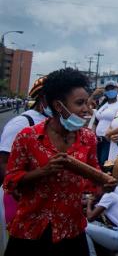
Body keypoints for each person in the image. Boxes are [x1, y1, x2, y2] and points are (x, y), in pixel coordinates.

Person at [3, 68, 116, 256]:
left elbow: (92, 182)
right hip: (31, 230)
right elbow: (10, 181)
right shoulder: (28, 137)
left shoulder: (88, 139)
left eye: (87, 103)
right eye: (80, 103)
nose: (87, 110)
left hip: (71, 230)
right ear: (58, 106)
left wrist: (104, 186)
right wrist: (43, 171)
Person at [0, 76, 49, 254]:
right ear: (43, 99)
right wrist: (18, 191)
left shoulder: (54, 125)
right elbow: (4, 162)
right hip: (17, 198)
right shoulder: (22, 123)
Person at [85, 185, 118, 256]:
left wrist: (89, 203)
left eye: (95, 188)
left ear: (102, 187)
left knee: (83, 227)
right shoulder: (112, 193)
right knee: (87, 223)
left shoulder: (108, 196)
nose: (93, 191)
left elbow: (90, 217)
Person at [93, 81, 118, 167]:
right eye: (108, 89)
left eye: (112, 88)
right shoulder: (103, 105)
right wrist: (93, 135)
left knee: (103, 163)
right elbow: (96, 121)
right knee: (96, 162)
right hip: (97, 140)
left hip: (108, 140)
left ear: (117, 90)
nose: (110, 91)